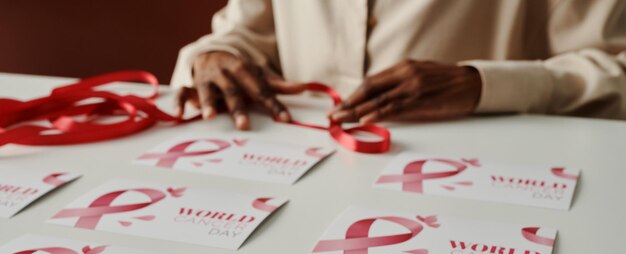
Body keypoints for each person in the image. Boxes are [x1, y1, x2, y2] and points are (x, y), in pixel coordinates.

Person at [171, 0, 626, 130]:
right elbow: (243, 33)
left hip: (478, 204)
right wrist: (212, 58)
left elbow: (615, 74)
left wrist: (482, 85)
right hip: (287, 186)